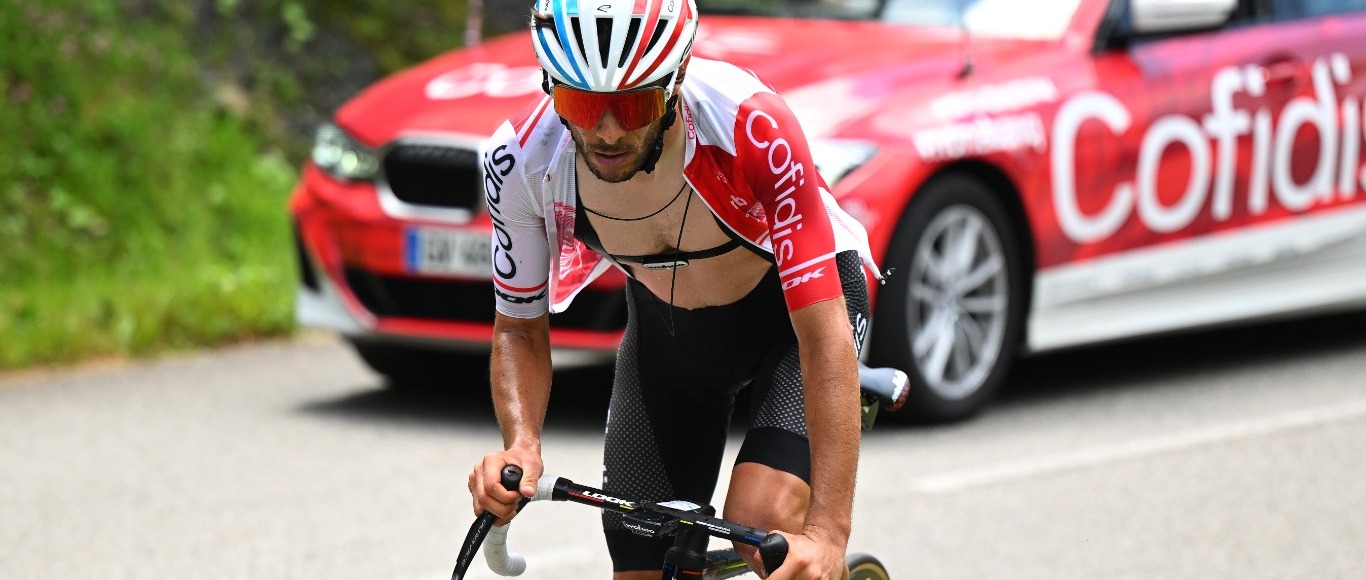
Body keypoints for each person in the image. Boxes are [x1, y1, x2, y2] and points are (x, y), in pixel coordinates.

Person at [468, 1, 881, 578]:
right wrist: (521, 445)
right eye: (583, 104)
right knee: (642, 561)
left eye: (633, 104)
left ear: (675, 81)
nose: (606, 131)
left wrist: (828, 535)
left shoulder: (750, 126)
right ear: (551, 86)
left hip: (797, 325)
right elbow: (518, 328)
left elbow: (822, 335)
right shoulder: (518, 160)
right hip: (672, 335)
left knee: (764, 522)